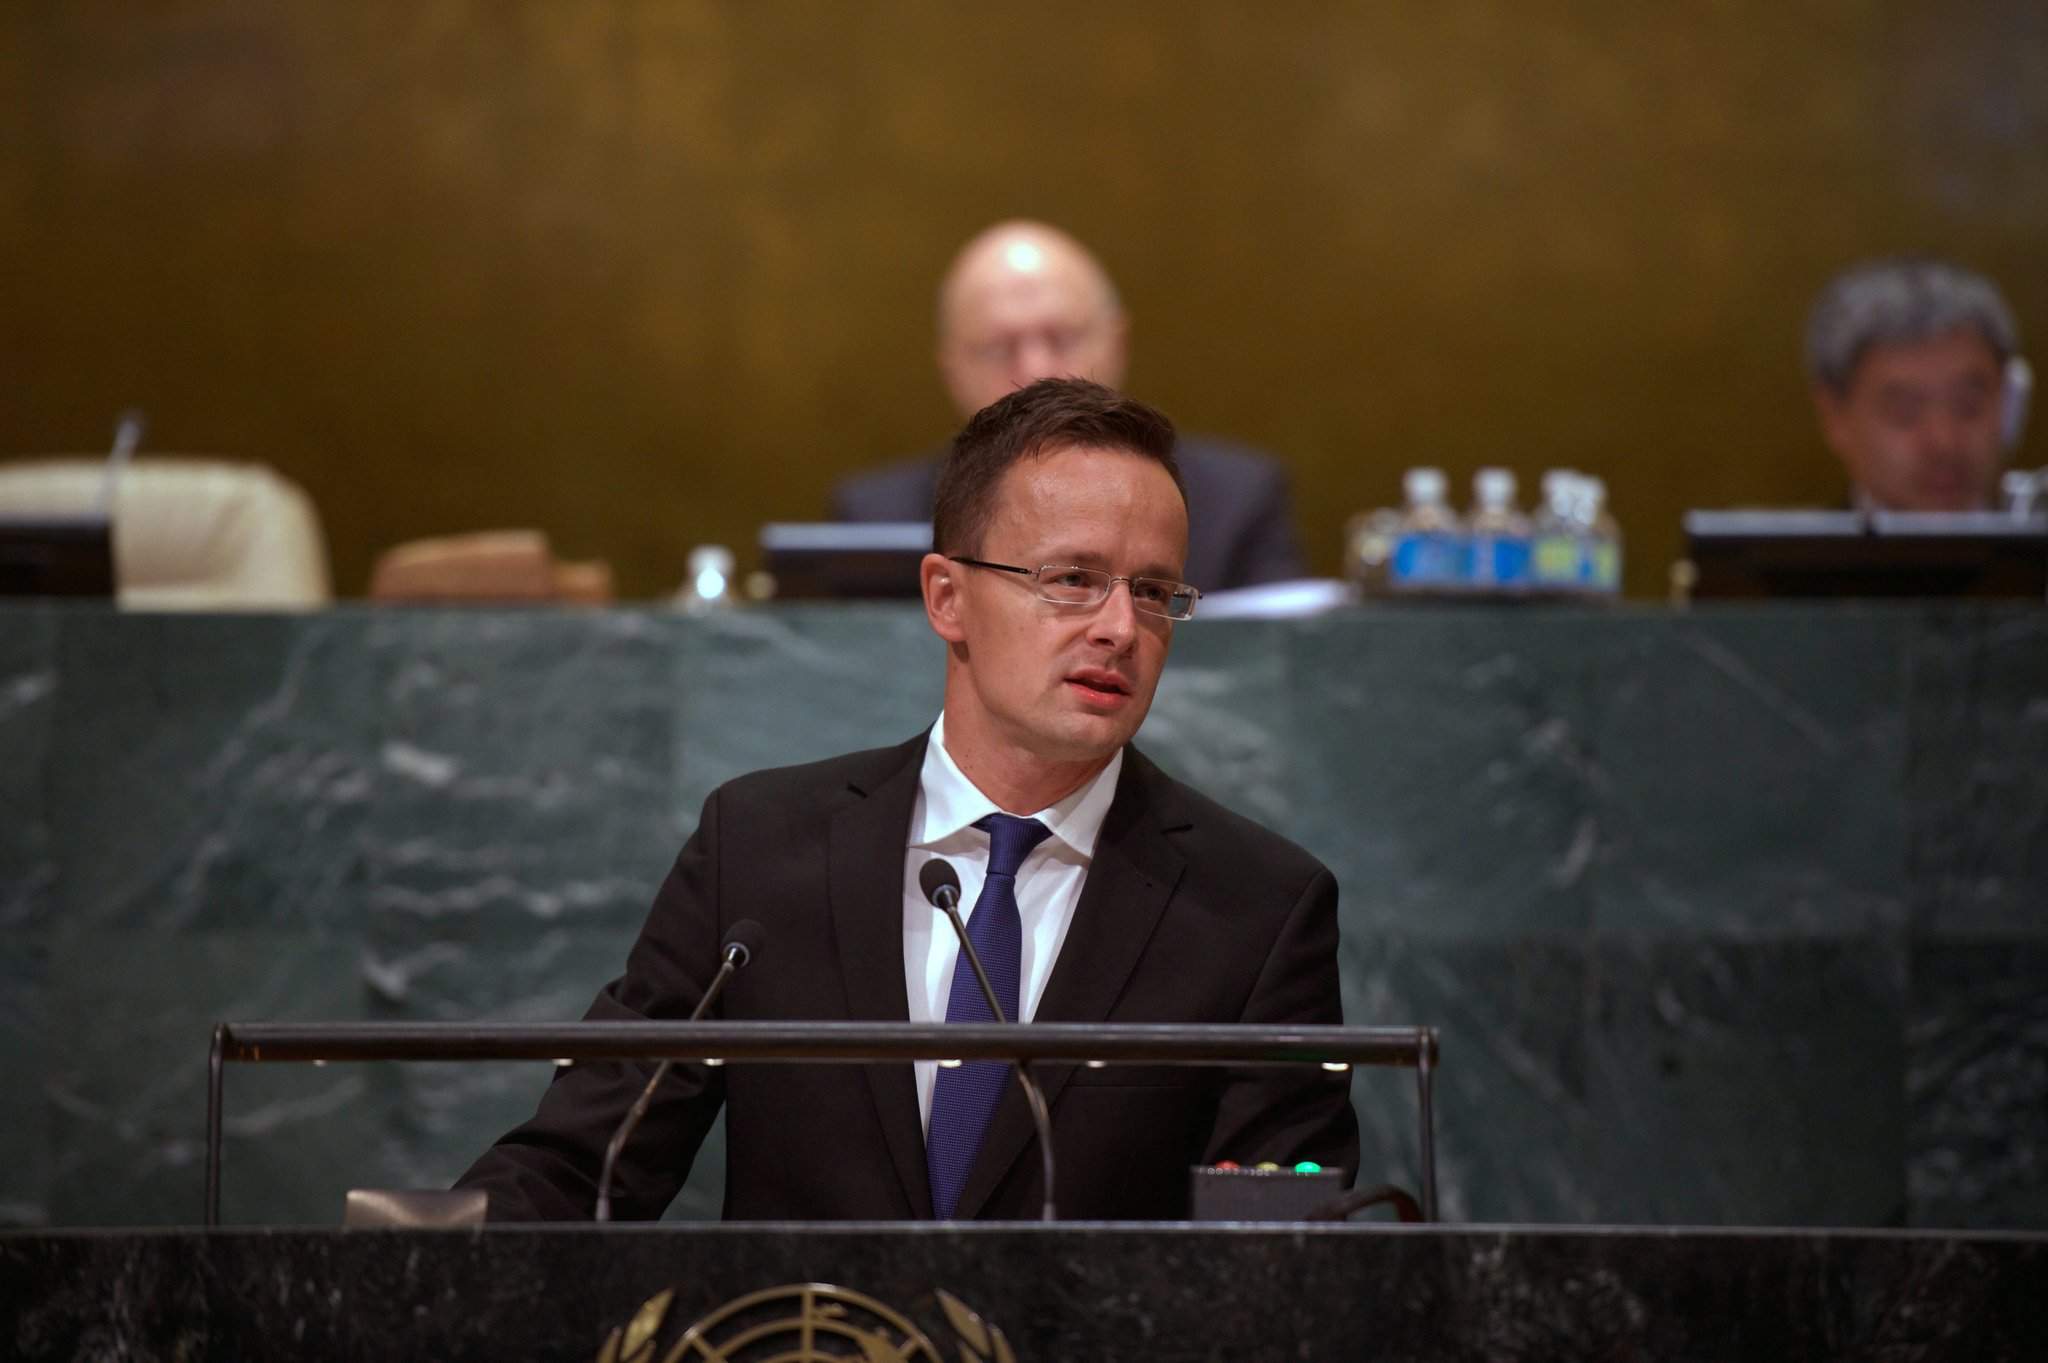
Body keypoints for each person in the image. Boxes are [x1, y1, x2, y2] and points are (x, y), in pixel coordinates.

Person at [460, 378, 1357, 1221]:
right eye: (1072, 579)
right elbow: (586, 1161)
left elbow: (1276, 1256)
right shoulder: (759, 852)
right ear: (946, 597)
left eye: (1154, 591)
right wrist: (419, 1255)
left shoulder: (1255, 909)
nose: (1121, 628)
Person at [831, 220, 1309, 590]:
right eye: (999, 348)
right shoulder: (873, 517)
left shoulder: (1238, 500)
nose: (1037, 370)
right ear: (952, 368)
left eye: (1062, 338)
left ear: (1117, 343)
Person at [1806, 258, 2029, 512]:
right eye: (1905, 412)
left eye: (1968, 406)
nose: (1944, 442)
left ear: (2010, 403)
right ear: (1834, 415)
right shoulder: (1793, 540)